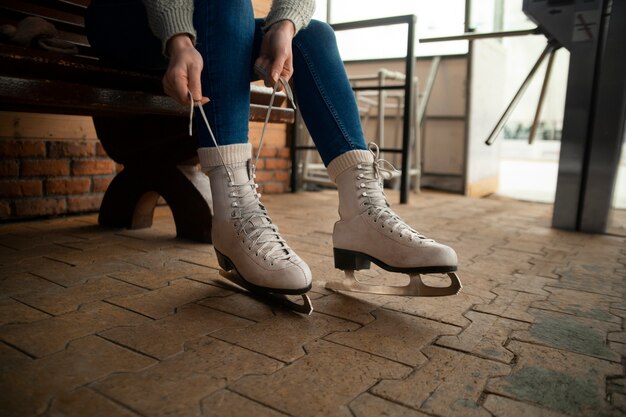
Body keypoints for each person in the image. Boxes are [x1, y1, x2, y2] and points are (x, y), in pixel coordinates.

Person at [85, 0, 458, 298]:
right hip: (130, 17)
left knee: (314, 35)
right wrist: (179, 40)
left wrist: (285, 26)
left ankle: (363, 213)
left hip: (214, 19)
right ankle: (234, 212)